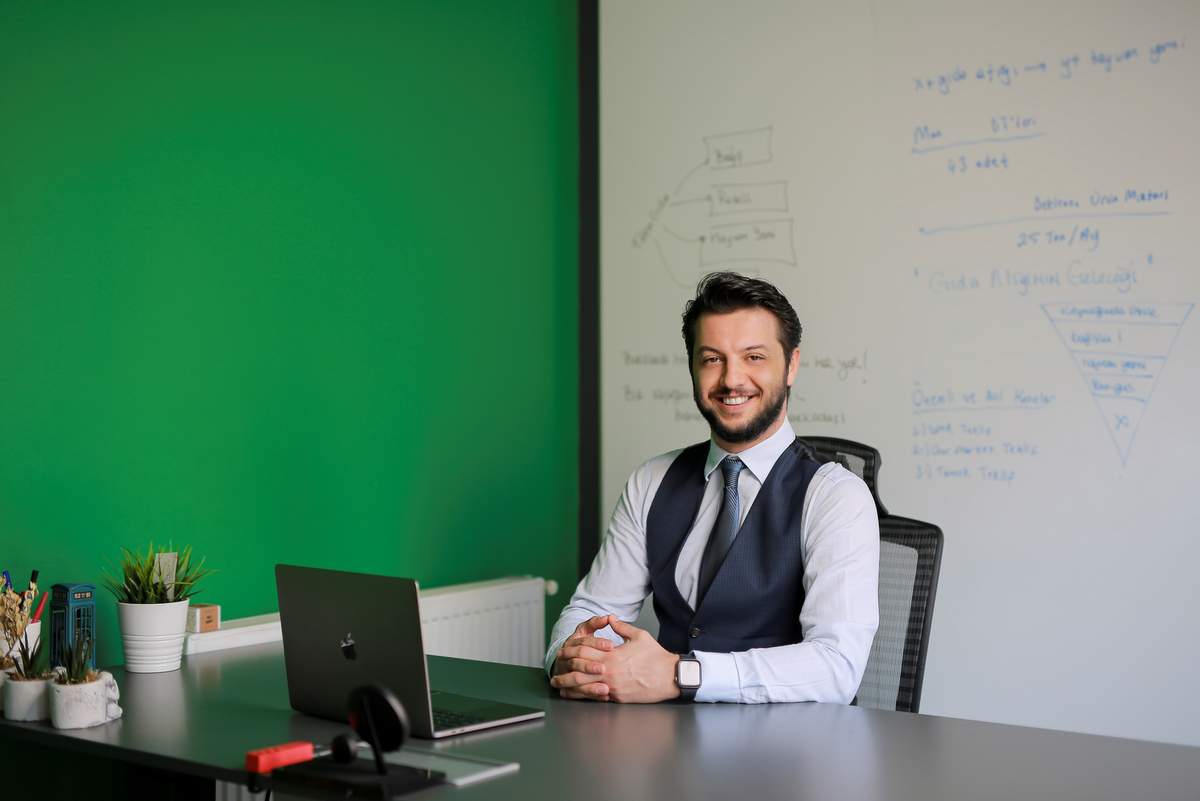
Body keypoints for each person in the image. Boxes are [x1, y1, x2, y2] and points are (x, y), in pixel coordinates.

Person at [547, 271, 879, 704]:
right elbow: (593, 609)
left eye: (754, 357)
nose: (731, 380)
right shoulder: (652, 480)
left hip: (788, 741)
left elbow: (837, 667)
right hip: (663, 735)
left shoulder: (836, 497)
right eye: (711, 359)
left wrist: (682, 673)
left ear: (792, 364)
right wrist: (571, 658)